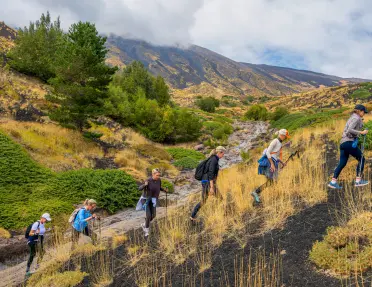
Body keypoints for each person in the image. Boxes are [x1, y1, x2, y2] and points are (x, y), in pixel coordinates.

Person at [328, 104, 369, 189]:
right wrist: (361, 132)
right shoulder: (356, 118)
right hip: (348, 142)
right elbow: (349, 130)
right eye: (363, 112)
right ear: (360, 111)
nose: (364, 113)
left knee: (342, 163)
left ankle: (333, 182)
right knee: (361, 158)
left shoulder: (352, 117)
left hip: (343, 143)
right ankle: (358, 181)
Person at [251, 129, 290, 204]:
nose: (285, 138)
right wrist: (272, 164)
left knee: (272, 181)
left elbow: (275, 155)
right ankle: (255, 193)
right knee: (271, 181)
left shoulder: (279, 143)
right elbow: (268, 152)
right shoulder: (275, 141)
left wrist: (282, 163)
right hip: (270, 163)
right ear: (282, 135)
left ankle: (261, 197)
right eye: (285, 136)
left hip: (273, 162)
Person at [190, 146, 226, 221]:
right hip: (208, 183)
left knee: (203, 201)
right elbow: (210, 173)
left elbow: (210, 171)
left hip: (204, 181)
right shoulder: (214, 160)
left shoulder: (212, 159)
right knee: (220, 198)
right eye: (223, 153)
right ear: (219, 152)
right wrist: (212, 187)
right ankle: (217, 215)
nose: (223, 155)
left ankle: (192, 216)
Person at [138, 168, 168, 237]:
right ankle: (146, 231)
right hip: (146, 200)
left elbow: (159, 187)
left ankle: (144, 224)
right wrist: (145, 185)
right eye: (157, 175)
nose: (158, 177)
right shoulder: (148, 180)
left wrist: (164, 190)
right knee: (148, 215)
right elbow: (139, 189)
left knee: (153, 216)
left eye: (159, 175)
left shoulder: (159, 180)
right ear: (153, 174)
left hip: (153, 200)